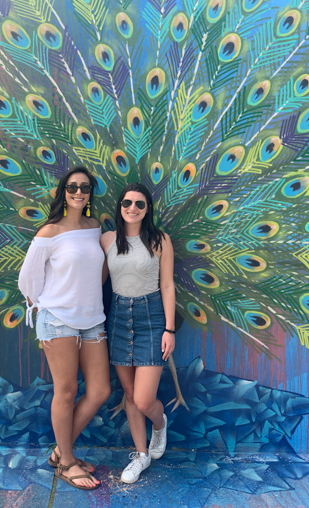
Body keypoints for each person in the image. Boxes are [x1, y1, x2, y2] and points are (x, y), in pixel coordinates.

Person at [18, 166, 110, 491]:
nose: (78, 192)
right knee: (67, 391)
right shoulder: (49, 232)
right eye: (72, 186)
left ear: (89, 193)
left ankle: (60, 452)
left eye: (85, 187)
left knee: (100, 390)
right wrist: (46, 304)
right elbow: (27, 280)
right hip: (58, 320)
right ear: (64, 190)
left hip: (92, 318)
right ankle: (67, 463)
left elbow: (97, 272)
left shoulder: (93, 226)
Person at [101, 182, 176, 483]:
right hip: (118, 317)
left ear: (147, 210)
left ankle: (159, 424)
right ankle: (141, 454)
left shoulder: (159, 240)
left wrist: (169, 328)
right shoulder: (107, 239)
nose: (132, 208)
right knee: (130, 395)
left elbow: (168, 285)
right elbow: (90, 275)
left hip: (151, 316)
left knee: (145, 400)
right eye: (127, 203)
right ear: (120, 207)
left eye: (139, 204)